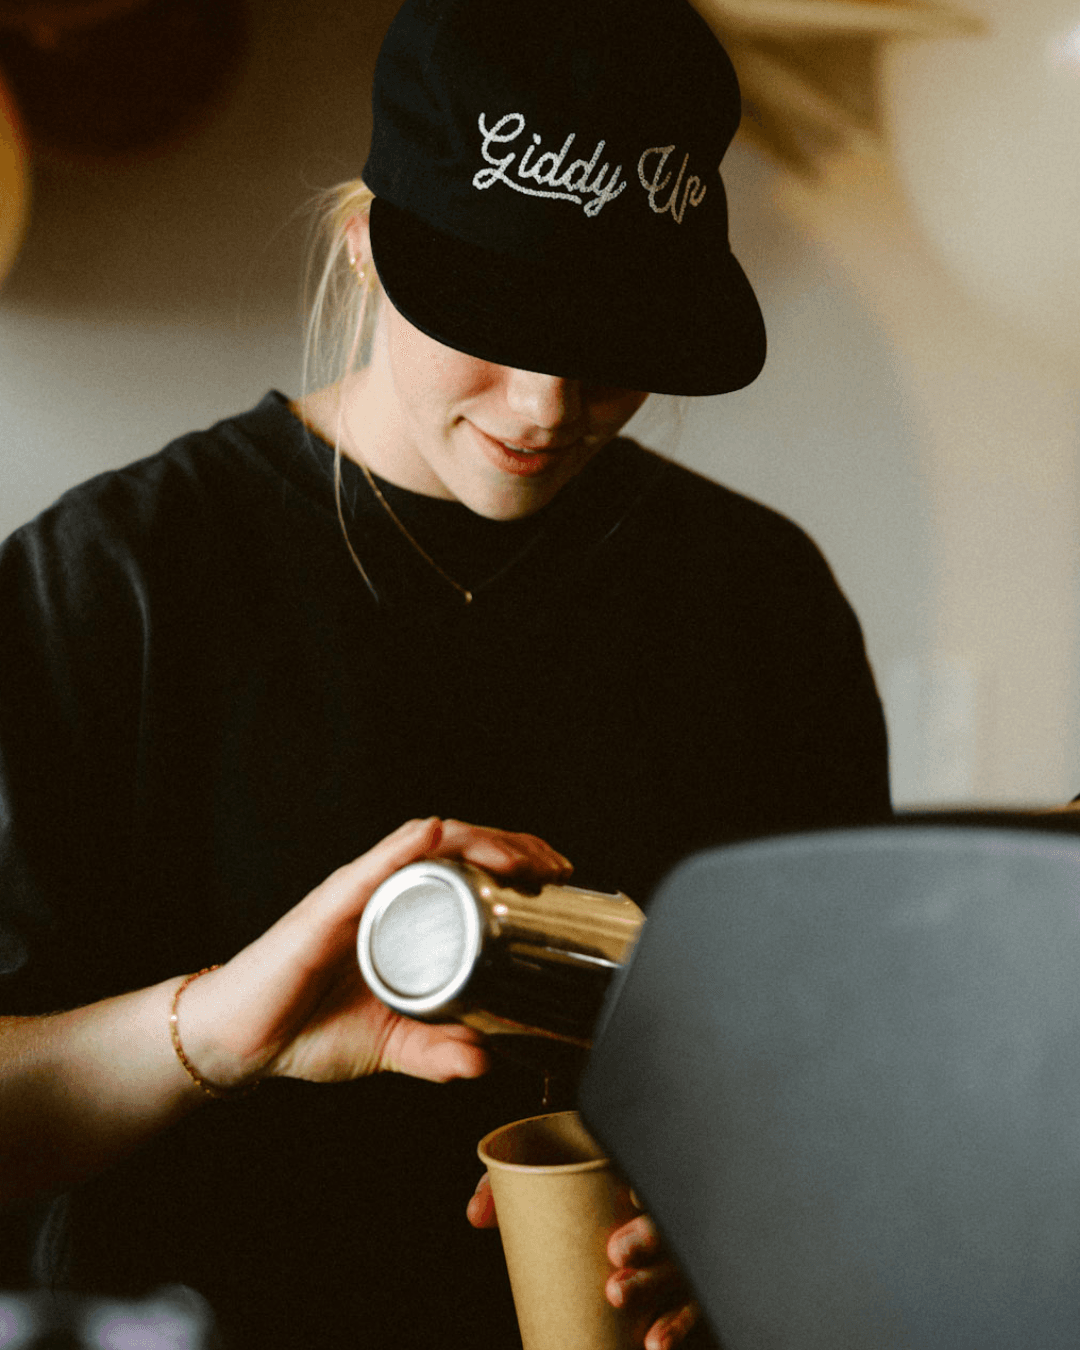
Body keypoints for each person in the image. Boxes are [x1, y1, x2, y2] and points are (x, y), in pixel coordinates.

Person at [0, 0, 892, 1346]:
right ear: (364, 252)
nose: (545, 401)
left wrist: (754, 1221)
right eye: (495, 317)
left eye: (612, 341)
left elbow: (849, 1070)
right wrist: (216, 1027)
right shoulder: (110, 581)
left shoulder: (761, 604)